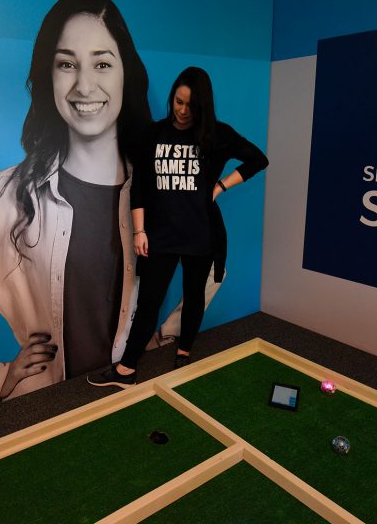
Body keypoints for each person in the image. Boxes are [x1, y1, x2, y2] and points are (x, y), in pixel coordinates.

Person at [0, 0, 211, 402]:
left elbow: (210, 267)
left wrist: (165, 342)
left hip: (137, 393)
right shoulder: (1, 197)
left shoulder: (162, 189)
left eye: (102, 63)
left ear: (126, 73)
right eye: (67, 63)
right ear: (48, 75)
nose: (84, 84)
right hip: (45, 412)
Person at [88, 66, 268, 388]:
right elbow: (140, 186)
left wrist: (220, 187)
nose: (183, 111)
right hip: (160, 234)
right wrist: (140, 232)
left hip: (201, 234)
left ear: (203, 107)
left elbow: (258, 159)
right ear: (173, 97)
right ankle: (127, 368)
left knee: (194, 296)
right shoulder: (153, 135)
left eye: (191, 106)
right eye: (178, 102)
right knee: (149, 303)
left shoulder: (216, 135)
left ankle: (184, 350)